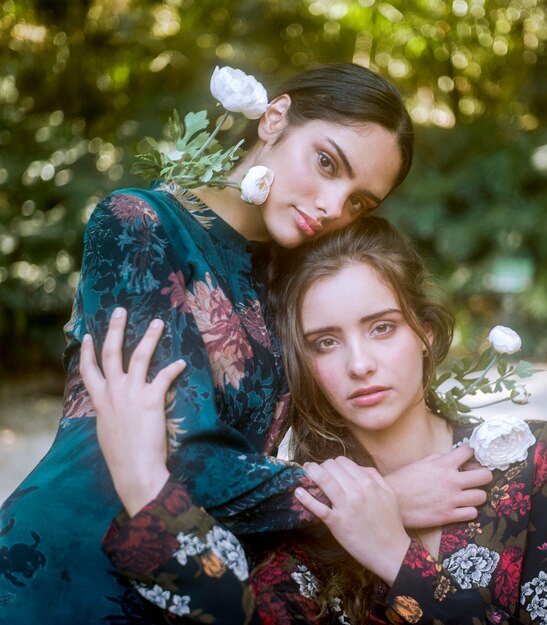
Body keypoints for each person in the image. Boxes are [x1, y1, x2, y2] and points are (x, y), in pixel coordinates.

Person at [0, 63, 498, 623]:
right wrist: (381, 499)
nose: (335, 206)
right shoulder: (139, 225)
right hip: (62, 574)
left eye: (360, 201)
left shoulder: (293, 284)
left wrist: (518, 461)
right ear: (274, 118)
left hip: (204, 590)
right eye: (327, 163)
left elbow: (364, 410)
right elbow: (179, 460)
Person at [82, 217, 547, 624]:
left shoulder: (528, 459)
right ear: (302, 362)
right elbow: (226, 613)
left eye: (382, 327)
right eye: (324, 342)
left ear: (423, 330)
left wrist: (395, 557)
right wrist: (141, 483)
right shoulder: (306, 507)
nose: (359, 364)